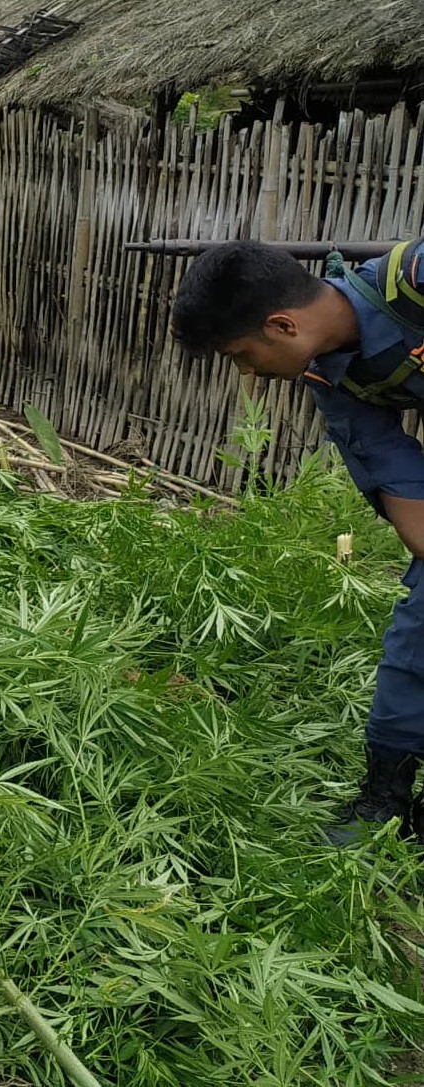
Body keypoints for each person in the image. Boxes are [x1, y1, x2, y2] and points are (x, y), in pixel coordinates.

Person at [172, 238, 424, 845]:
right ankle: (386, 799)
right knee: (419, 625)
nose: (247, 374)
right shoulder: (333, 380)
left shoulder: (416, 277)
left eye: (241, 355)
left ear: (282, 325)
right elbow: (406, 490)